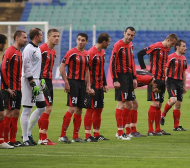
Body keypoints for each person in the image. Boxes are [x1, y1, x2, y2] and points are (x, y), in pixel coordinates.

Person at [137, 33, 178, 136]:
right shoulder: (156, 46)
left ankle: (158, 129)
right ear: (168, 40)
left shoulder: (167, 49)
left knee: (159, 104)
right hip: (154, 80)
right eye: (172, 44)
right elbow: (140, 53)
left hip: (162, 80)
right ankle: (150, 130)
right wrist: (144, 69)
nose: (172, 46)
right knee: (154, 104)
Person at [59, 33, 94, 143]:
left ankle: (75, 136)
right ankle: (62, 135)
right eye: (79, 39)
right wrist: (66, 82)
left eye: (83, 40)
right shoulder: (71, 52)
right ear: (76, 40)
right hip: (72, 82)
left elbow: (87, 71)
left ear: (86, 42)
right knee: (72, 108)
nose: (80, 42)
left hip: (82, 84)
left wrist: (88, 86)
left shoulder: (87, 54)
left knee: (79, 110)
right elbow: (62, 67)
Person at [110, 27, 137, 140]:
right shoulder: (118, 45)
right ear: (124, 33)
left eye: (132, 35)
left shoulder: (130, 45)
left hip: (129, 77)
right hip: (121, 77)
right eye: (128, 34)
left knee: (130, 104)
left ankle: (124, 130)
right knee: (121, 104)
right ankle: (119, 133)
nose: (130, 37)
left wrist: (134, 77)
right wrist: (115, 79)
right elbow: (112, 63)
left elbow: (132, 62)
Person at [1, 31, 28, 147]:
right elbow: (3, 68)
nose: (26, 40)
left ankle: (13, 139)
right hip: (9, 88)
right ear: (17, 38)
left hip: (18, 88)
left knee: (16, 112)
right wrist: (7, 87)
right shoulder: (10, 51)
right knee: (8, 112)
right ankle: (5, 140)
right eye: (24, 38)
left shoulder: (20, 53)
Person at [20, 28, 46, 146]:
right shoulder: (28, 49)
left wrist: (41, 79)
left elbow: (37, 66)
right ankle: (25, 138)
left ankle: (28, 133)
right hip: (28, 80)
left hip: (36, 80)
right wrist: (32, 82)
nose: (42, 37)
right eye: (41, 35)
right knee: (27, 109)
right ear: (36, 36)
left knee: (42, 107)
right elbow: (26, 66)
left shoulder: (38, 48)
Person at [84, 33, 110, 142]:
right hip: (93, 85)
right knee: (90, 109)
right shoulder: (91, 52)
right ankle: (87, 135)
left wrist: (104, 83)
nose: (109, 44)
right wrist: (88, 86)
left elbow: (102, 69)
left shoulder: (103, 53)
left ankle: (96, 134)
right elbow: (86, 70)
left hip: (99, 85)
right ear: (104, 42)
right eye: (108, 42)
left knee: (99, 109)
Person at [38, 29, 59, 145]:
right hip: (42, 80)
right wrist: (40, 80)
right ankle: (43, 138)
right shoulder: (42, 49)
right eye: (54, 36)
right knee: (47, 108)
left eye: (58, 36)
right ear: (48, 37)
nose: (57, 38)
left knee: (43, 109)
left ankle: (42, 137)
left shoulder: (53, 52)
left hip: (49, 81)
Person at [160, 39, 187, 131]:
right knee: (173, 100)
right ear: (177, 47)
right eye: (183, 46)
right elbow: (166, 69)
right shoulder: (171, 57)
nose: (185, 48)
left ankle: (176, 126)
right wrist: (165, 81)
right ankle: (163, 115)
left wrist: (184, 85)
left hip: (180, 82)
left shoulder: (184, 59)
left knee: (178, 104)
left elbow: (183, 73)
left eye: (185, 46)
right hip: (171, 81)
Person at [0, 34, 14, 149]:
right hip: (3, 88)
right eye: (4, 44)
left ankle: (2, 141)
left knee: (1, 114)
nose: (4, 46)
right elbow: (3, 70)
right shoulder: (8, 53)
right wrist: (6, 87)